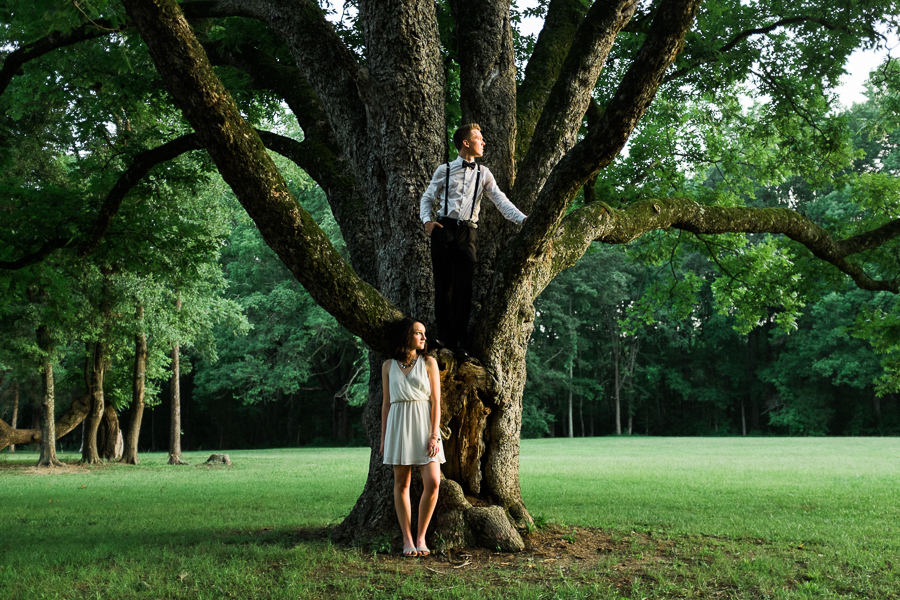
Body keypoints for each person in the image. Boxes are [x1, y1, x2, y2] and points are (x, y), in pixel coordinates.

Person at [420, 123, 528, 358]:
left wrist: (523, 220)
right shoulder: (445, 169)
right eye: (479, 138)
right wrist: (427, 222)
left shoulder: (484, 173)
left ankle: (459, 342)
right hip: (443, 229)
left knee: (464, 288)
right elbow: (427, 197)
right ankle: (444, 338)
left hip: (468, 233)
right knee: (443, 286)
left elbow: (500, 200)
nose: (483, 141)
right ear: (466, 143)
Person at [380, 317, 445, 557]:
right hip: (398, 426)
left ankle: (421, 537)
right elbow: (386, 405)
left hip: (424, 425)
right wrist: (384, 438)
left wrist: (434, 435)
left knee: (433, 482)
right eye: (419, 333)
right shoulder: (388, 365)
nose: (424, 338)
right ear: (407, 335)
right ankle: (407, 539)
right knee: (402, 484)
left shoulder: (429, 362)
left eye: (424, 333)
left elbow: (437, 402)